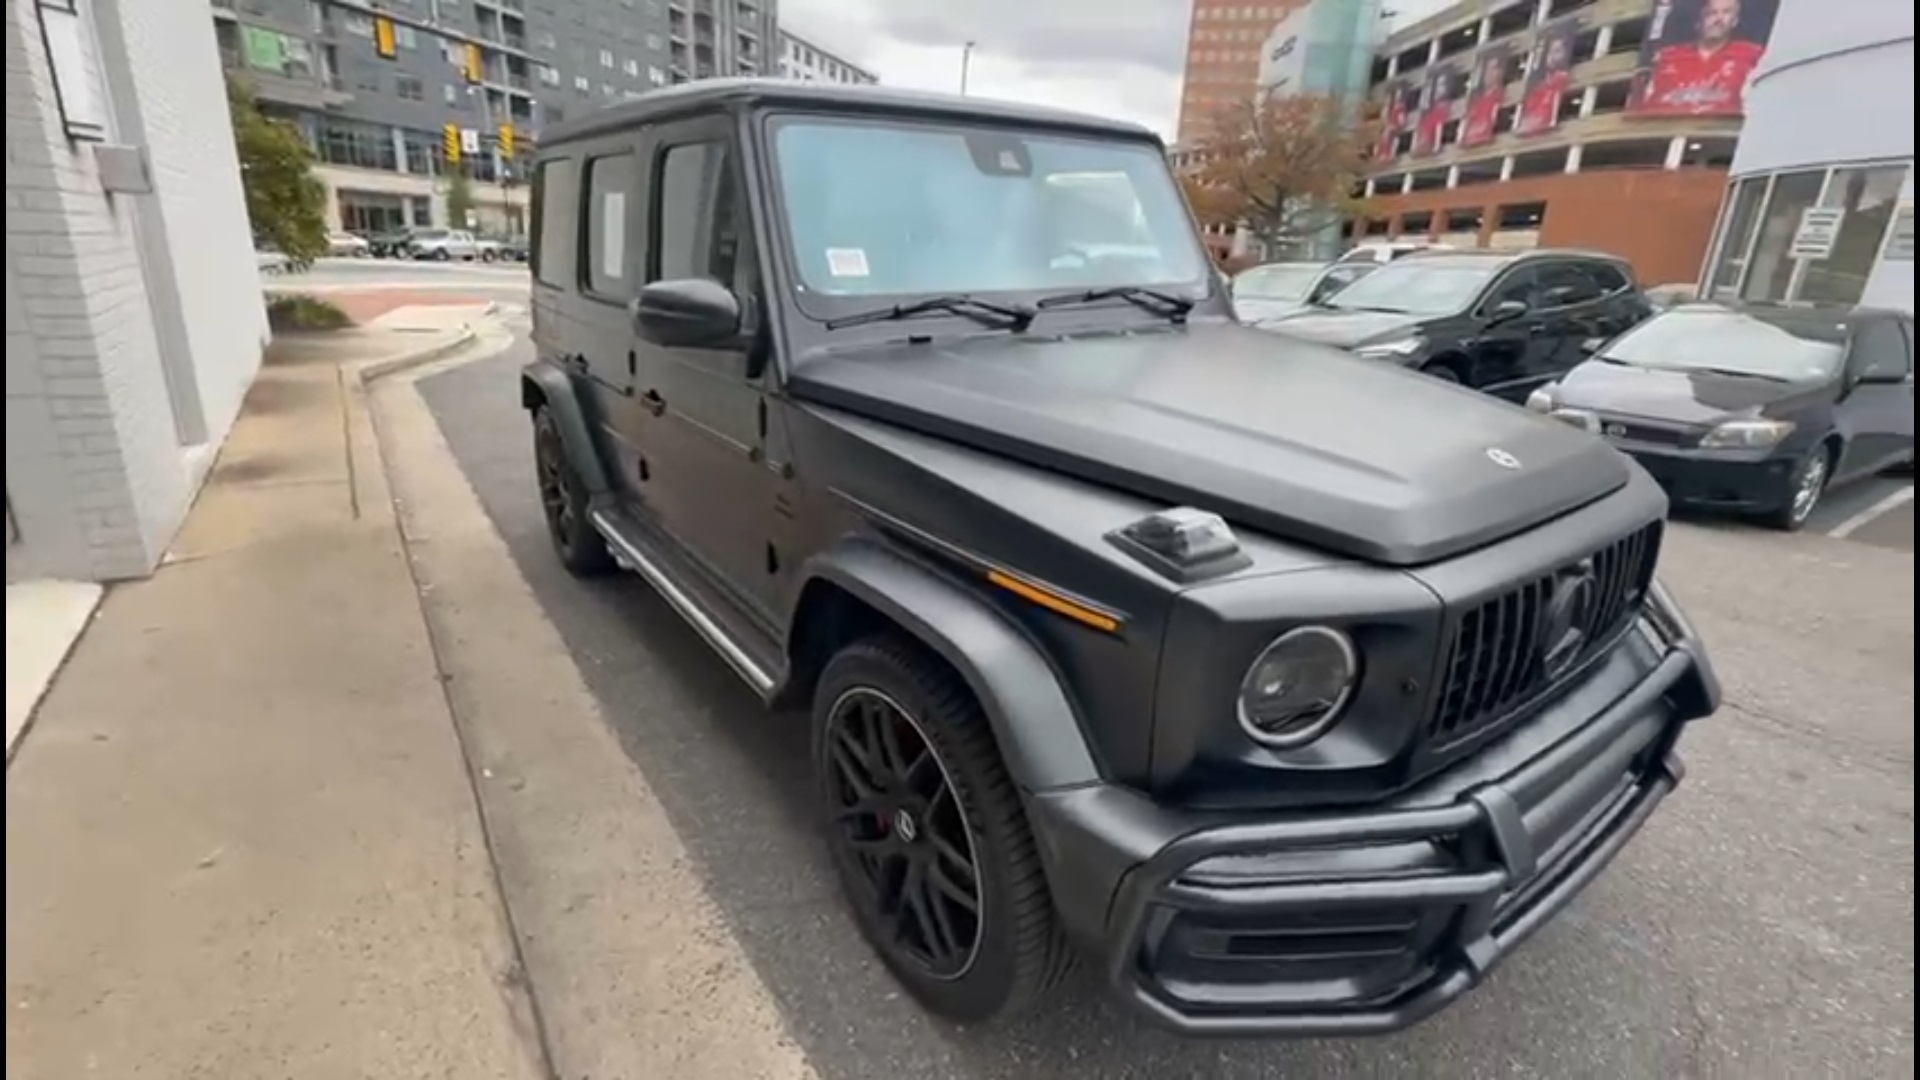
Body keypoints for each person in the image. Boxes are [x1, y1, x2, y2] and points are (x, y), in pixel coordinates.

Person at [1637, 0, 1765, 115]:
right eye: (1711, 13)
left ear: (1735, 20)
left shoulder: (1752, 56)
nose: (1718, 19)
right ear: (1698, 21)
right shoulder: (1666, 58)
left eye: (1726, 12)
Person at [1517, 33, 1571, 134]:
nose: (1551, 56)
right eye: (1550, 52)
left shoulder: (1560, 77)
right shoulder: (1538, 83)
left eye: (1557, 51)